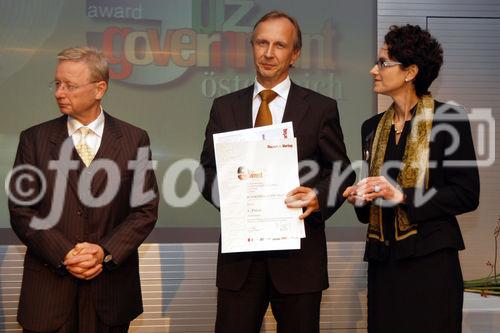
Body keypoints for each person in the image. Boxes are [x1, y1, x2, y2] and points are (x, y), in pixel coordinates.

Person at [197, 10, 354, 333]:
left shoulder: (320, 108)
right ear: (252, 46)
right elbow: (205, 172)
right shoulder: (224, 107)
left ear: (294, 54)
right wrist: (233, 199)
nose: (269, 53)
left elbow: (342, 172)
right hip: (240, 259)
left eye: (280, 45)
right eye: (262, 43)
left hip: (299, 258)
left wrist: (317, 197)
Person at [8, 47, 159, 333]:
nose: (59, 92)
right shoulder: (34, 139)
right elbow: (21, 211)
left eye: (70, 85)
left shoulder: (134, 139)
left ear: (99, 88)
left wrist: (103, 252)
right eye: (57, 83)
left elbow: (145, 211)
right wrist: (66, 254)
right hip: (48, 294)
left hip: (110, 295)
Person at [343, 25, 480, 333]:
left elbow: (466, 194)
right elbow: (368, 213)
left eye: (382, 63)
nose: (372, 70)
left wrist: (403, 195)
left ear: (410, 72)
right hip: (383, 264)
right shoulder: (371, 127)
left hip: (430, 265)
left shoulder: (448, 120)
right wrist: (361, 197)